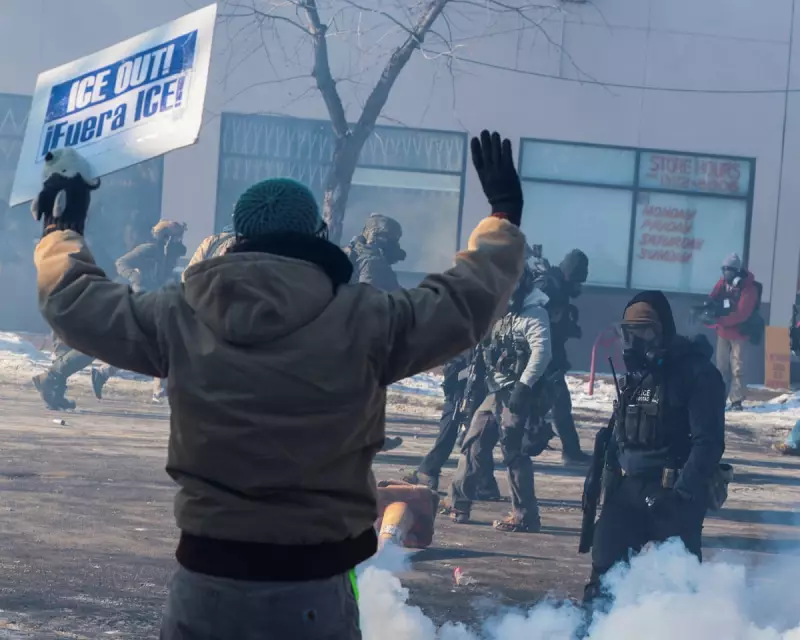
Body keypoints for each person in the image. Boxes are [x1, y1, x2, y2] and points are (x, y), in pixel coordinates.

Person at [32, 131, 527, 639]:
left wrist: (62, 228)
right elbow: (463, 301)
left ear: (238, 238)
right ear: (319, 233)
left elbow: (74, 300)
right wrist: (503, 219)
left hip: (207, 584)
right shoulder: (367, 320)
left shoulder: (180, 313)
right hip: (315, 586)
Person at [582, 291, 725, 606]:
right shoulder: (636, 374)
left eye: (645, 330)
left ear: (664, 330)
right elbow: (620, 432)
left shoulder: (697, 374)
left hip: (674, 495)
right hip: (629, 489)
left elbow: (709, 443)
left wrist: (682, 494)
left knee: (677, 587)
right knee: (603, 573)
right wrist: (608, 482)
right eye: (629, 332)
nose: (636, 340)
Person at [447, 266, 554, 533]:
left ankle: (525, 515)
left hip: (518, 393)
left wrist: (523, 386)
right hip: (494, 391)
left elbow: (542, 352)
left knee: (513, 452)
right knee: (473, 443)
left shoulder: (534, 313)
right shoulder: (499, 314)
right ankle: (458, 503)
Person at [91, 220, 188, 401]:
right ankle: (159, 390)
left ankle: (104, 372)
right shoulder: (148, 249)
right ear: (165, 236)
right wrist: (134, 276)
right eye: (174, 236)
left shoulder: (170, 254)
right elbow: (121, 262)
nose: (177, 239)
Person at [343, 213, 408, 452]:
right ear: (379, 238)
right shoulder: (371, 261)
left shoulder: (354, 252)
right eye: (393, 240)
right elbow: (370, 297)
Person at [402, 348, 501, 499]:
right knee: (465, 434)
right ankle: (485, 484)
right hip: (459, 385)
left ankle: (429, 471)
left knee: (469, 435)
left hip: (472, 386)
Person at [535, 249, 591, 464]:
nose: (579, 286)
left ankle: (571, 451)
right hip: (540, 358)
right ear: (570, 273)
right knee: (542, 406)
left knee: (559, 405)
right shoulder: (549, 287)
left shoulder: (559, 288)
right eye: (577, 280)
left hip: (550, 358)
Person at [708, 253, 759, 411]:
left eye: (730, 270)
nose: (726, 274)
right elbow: (713, 297)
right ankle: (718, 397)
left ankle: (736, 400)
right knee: (721, 367)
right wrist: (706, 308)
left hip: (739, 333)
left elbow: (742, 313)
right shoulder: (722, 283)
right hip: (723, 332)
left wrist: (721, 320)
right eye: (724, 270)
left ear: (737, 271)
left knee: (738, 368)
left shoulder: (748, 288)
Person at [344, 213, 406, 292]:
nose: (395, 246)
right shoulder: (372, 262)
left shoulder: (356, 255)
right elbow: (369, 299)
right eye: (393, 240)